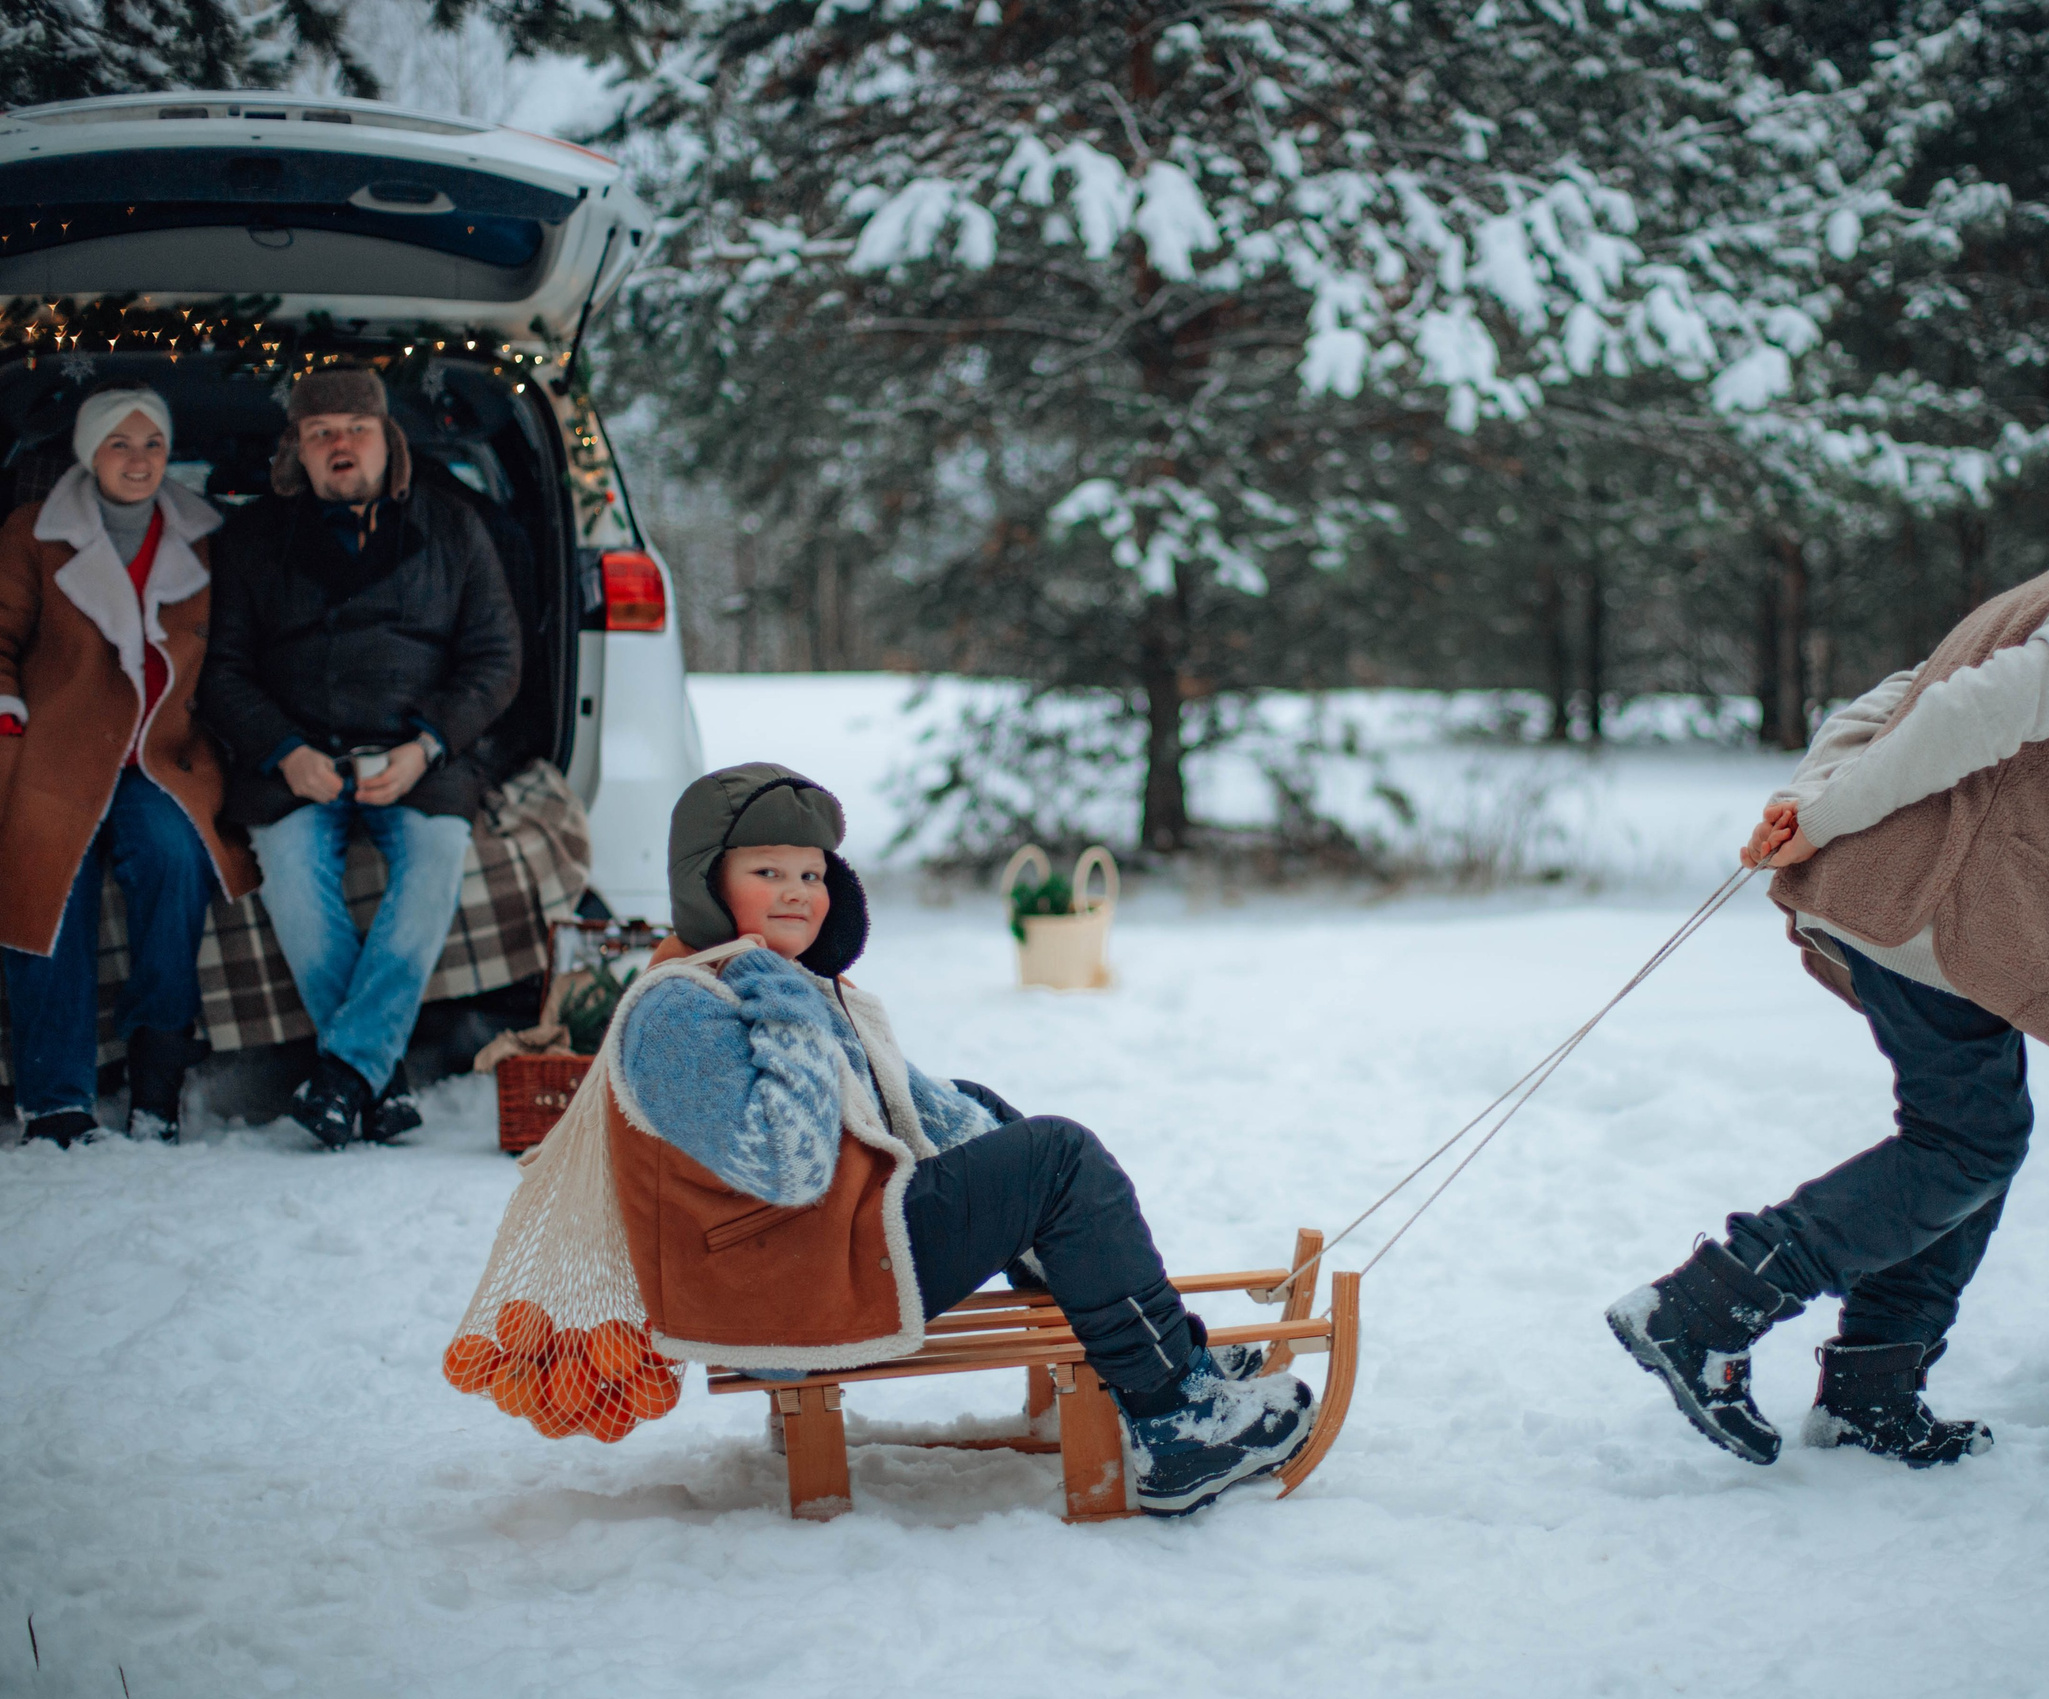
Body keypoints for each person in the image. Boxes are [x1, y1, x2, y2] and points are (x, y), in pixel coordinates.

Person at [1607, 433, 2049, 1469]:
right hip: (1937, 915)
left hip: (1928, 914)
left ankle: (1872, 1388)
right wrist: (1827, 813)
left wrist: (1811, 801)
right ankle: (1706, 1306)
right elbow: (1961, 708)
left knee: (1976, 1138)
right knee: (1967, 1144)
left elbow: (1897, 691)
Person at [604, 763, 1316, 1515]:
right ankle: (1178, 1421)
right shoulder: (680, 1014)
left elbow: (906, 1101)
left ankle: (1150, 1349)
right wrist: (785, 1005)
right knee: (1057, 1158)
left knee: (984, 1115)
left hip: (806, 1260)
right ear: (703, 883)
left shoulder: (749, 977)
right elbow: (794, 1164)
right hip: (782, 1295)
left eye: (812, 873)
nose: (797, 892)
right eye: (767, 870)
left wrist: (991, 1156)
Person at [198, 369, 520, 1149]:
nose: (340, 444)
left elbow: (497, 659)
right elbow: (224, 672)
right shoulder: (249, 541)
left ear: (389, 439)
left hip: (419, 759)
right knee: (297, 891)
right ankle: (380, 1079)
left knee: (437, 860)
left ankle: (344, 1075)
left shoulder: (453, 527)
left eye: (355, 428)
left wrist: (426, 746)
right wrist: (285, 751)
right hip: (298, 764)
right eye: (320, 434)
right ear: (297, 455)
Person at [0, 388, 259, 1146]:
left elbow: (238, 651)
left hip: (161, 755)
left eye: (152, 444)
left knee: (177, 860)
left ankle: (157, 1085)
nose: (139, 459)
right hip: (59, 748)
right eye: (120, 443)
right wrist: (8, 718)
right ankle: (56, 1100)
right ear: (90, 452)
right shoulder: (33, 531)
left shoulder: (208, 536)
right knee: (47, 873)